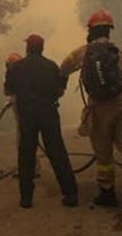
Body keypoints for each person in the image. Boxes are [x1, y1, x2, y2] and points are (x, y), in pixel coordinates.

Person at [60, 10, 122, 216]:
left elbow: (63, 69)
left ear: (90, 30)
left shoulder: (82, 52)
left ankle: (107, 193)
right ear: (109, 30)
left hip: (99, 107)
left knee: (103, 153)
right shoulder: (120, 54)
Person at [5, 34, 78, 209]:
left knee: (26, 156)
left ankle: (26, 199)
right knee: (57, 153)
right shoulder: (51, 66)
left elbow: (8, 90)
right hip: (48, 114)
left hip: (27, 116)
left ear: (27, 48)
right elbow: (59, 91)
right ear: (42, 48)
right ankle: (70, 195)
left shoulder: (16, 68)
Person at [3, 53, 41, 179]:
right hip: (28, 116)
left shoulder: (14, 75)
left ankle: (29, 169)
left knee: (24, 142)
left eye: (9, 65)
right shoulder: (27, 75)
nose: (8, 68)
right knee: (28, 140)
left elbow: (9, 90)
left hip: (24, 119)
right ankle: (32, 167)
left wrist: (11, 99)